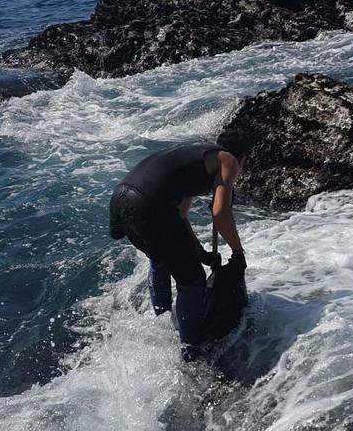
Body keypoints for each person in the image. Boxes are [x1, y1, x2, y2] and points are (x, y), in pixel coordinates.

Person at [108, 129, 253, 361]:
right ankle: (190, 351)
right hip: (148, 205)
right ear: (243, 156)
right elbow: (220, 212)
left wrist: (201, 252)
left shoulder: (195, 156)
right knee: (192, 280)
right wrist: (238, 251)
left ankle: (161, 323)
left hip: (121, 199)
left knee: (161, 258)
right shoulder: (229, 160)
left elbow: (181, 214)